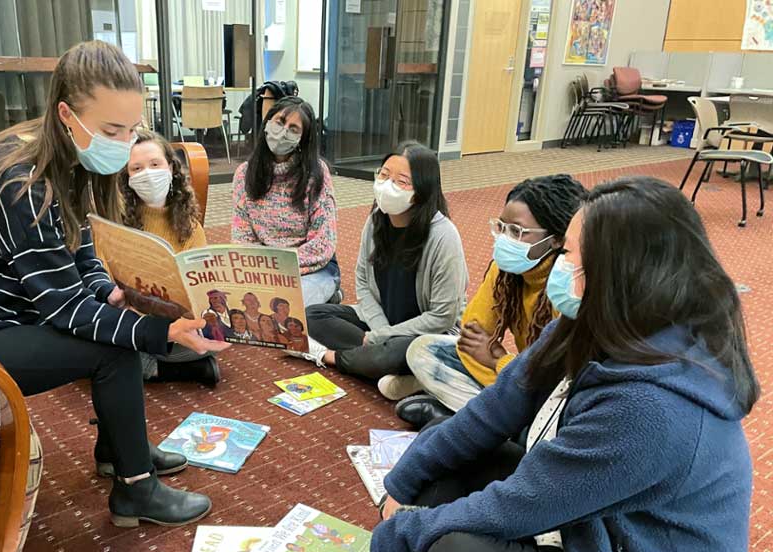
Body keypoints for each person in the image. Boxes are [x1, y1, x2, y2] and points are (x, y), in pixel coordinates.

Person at [324, 177, 757, 552]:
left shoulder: (653, 408)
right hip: (595, 529)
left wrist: (397, 537)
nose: (560, 266)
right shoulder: (588, 322)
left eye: (571, 255)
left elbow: (519, 505)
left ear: (621, 274)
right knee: (449, 469)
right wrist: (403, 482)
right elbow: (492, 410)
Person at [0, 41, 227, 529]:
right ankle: (135, 490)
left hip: (0, 313)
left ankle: (119, 450)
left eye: (132, 128)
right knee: (114, 347)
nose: (125, 141)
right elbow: (64, 308)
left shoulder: (62, 152)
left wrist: (114, 291)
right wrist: (163, 332)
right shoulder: (19, 180)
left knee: (115, 327)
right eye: (113, 130)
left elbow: (79, 245)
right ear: (68, 113)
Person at [397, 174, 587, 428]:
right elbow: (473, 330)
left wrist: (499, 360)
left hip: (550, 388)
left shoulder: (566, 284)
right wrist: (505, 365)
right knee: (423, 349)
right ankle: (497, 421)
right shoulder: (507, 271)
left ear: (555, 239)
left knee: (553, 406)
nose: (504, 238)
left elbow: (555, 374)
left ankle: (485, 420)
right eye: (501, 227)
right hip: (522, 377)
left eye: (517, 231)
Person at [293, 142, 468, 401]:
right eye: (384, 175)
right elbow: (362, 282)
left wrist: (381, 337)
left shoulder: (443, 235)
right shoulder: (377, 219)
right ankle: (406, 374)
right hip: (382, 321)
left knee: (399, 350)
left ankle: (331, 357)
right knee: (312, 314)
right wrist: (380, 332)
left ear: (423, 189)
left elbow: (442, 316)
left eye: (402, 181)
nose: (387, 185)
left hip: (424, 333)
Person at [122, 129, 219, 386]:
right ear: (127, 178)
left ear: (171, 169)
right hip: (131, 324)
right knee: (96, 344)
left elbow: (200, 291)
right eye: (137, 169)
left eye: (155, 165)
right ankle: (186, 371)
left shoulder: (190, 226)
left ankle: (151, 369)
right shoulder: (115, 221)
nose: (148, 174)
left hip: (176, 328)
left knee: (210, 337)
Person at [231, 96, 340, 307]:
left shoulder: (317, 173)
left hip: (313, 268)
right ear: (268, 123)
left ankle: (327, 295)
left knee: (285, 308)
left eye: (294, 129)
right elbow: (242, 237)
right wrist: (265, 272)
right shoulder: (244, 174)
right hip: (262, 270)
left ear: (303, 139)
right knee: (235, 304)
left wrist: (280, 270)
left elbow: (323, 243)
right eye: (280, 122)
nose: (283, 131)